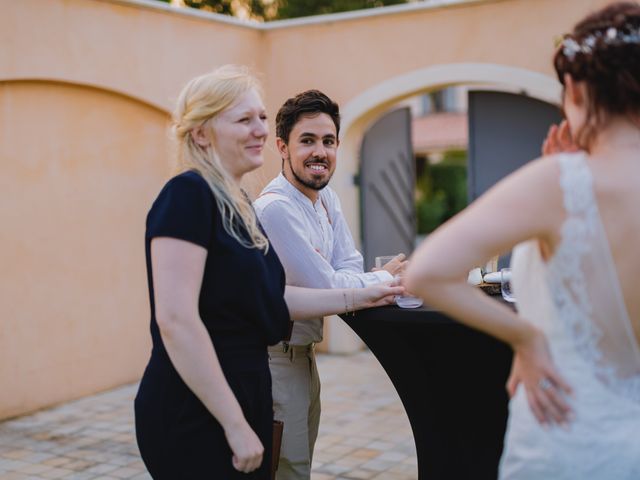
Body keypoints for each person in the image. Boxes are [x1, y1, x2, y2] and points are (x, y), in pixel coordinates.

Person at [134, 66, 403, 479]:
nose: (260, 129)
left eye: (261, 117)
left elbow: (275, 298)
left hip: (249, 396)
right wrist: (235, 424)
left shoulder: (238, 205)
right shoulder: (187, 195)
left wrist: (367, 294)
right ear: (202, 134)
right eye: (244, 120)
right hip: (197, 410)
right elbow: (176, 321)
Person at [406, 2, 640, 478]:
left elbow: (427, 272)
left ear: (576, 89)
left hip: (570, 436)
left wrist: (526, 337)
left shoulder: (562, 181)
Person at [253, 90, 406, 479]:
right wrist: (386, 277)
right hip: (273, 360)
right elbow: (327, 285)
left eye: (328, 141)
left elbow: (348, 266)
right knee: (285, 469)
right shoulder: (276, 208)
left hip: (303, 356)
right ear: (281, 147)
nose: (320, 151)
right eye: (307, 141)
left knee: (299, 465)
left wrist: (359, 279)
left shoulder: (326, 199)